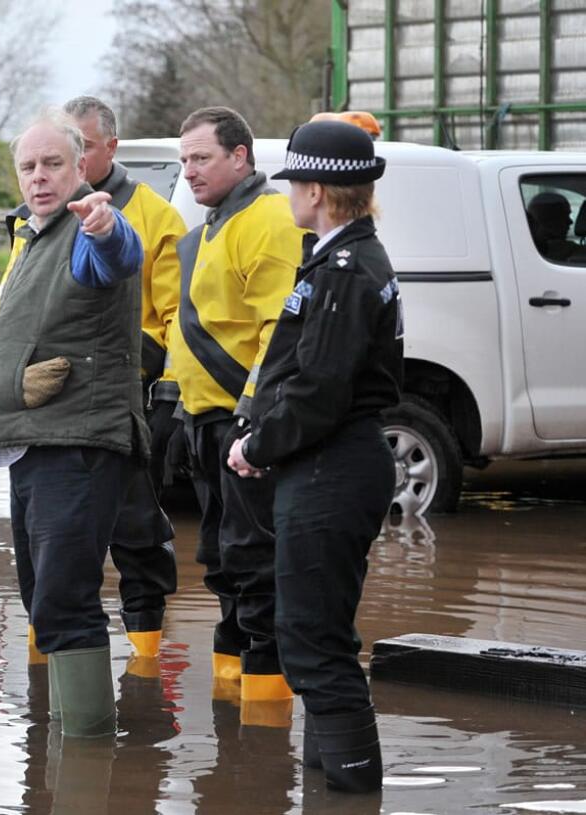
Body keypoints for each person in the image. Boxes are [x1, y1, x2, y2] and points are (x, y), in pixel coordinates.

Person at [0, 110, 143, 737]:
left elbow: (115, 256)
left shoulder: (88, 226)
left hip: (78, 443)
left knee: (64, 601)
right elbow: (43, 331)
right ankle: (67, 746)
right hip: (37, 443)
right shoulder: (35, 237)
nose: (39, 176)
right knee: (42, 599)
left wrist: (108, 226)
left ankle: (87, 759)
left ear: (81, 166)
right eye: (28, 166)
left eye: (53, 163)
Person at [227, 119, 401, 793]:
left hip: (331, 465)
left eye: (296, 181)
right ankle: (335, 789)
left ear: (319, 189)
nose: (290, 194)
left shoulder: (345, 269)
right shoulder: (342, 256)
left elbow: (319, 388)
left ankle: (354, 792)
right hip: (333, 463)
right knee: (315, 635)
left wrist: (256, 445)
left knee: (312, 640)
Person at [170, 106, 305, 723]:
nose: (189, 171)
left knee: (254, 561)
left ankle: (266, 714)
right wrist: (172, 404)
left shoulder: (269, 218)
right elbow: (190, 325)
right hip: (200, 420)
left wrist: (252, 413)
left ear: (240, 156)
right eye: (184, 161)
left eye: (201, 158)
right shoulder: (206, 229)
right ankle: (232, 696)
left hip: (242, 422)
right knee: (222, 560)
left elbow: (280, 329)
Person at [64, 95, 187, 660]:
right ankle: (59, 660)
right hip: (57, 400)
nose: (74, 157)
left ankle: (144, 661)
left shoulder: (157, 218)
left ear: (111, 147)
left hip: (127, 394)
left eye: (83, 146)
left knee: (138, 534)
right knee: (58, 536)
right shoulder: (36, 215)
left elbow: (174, 319)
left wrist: (162, 396)